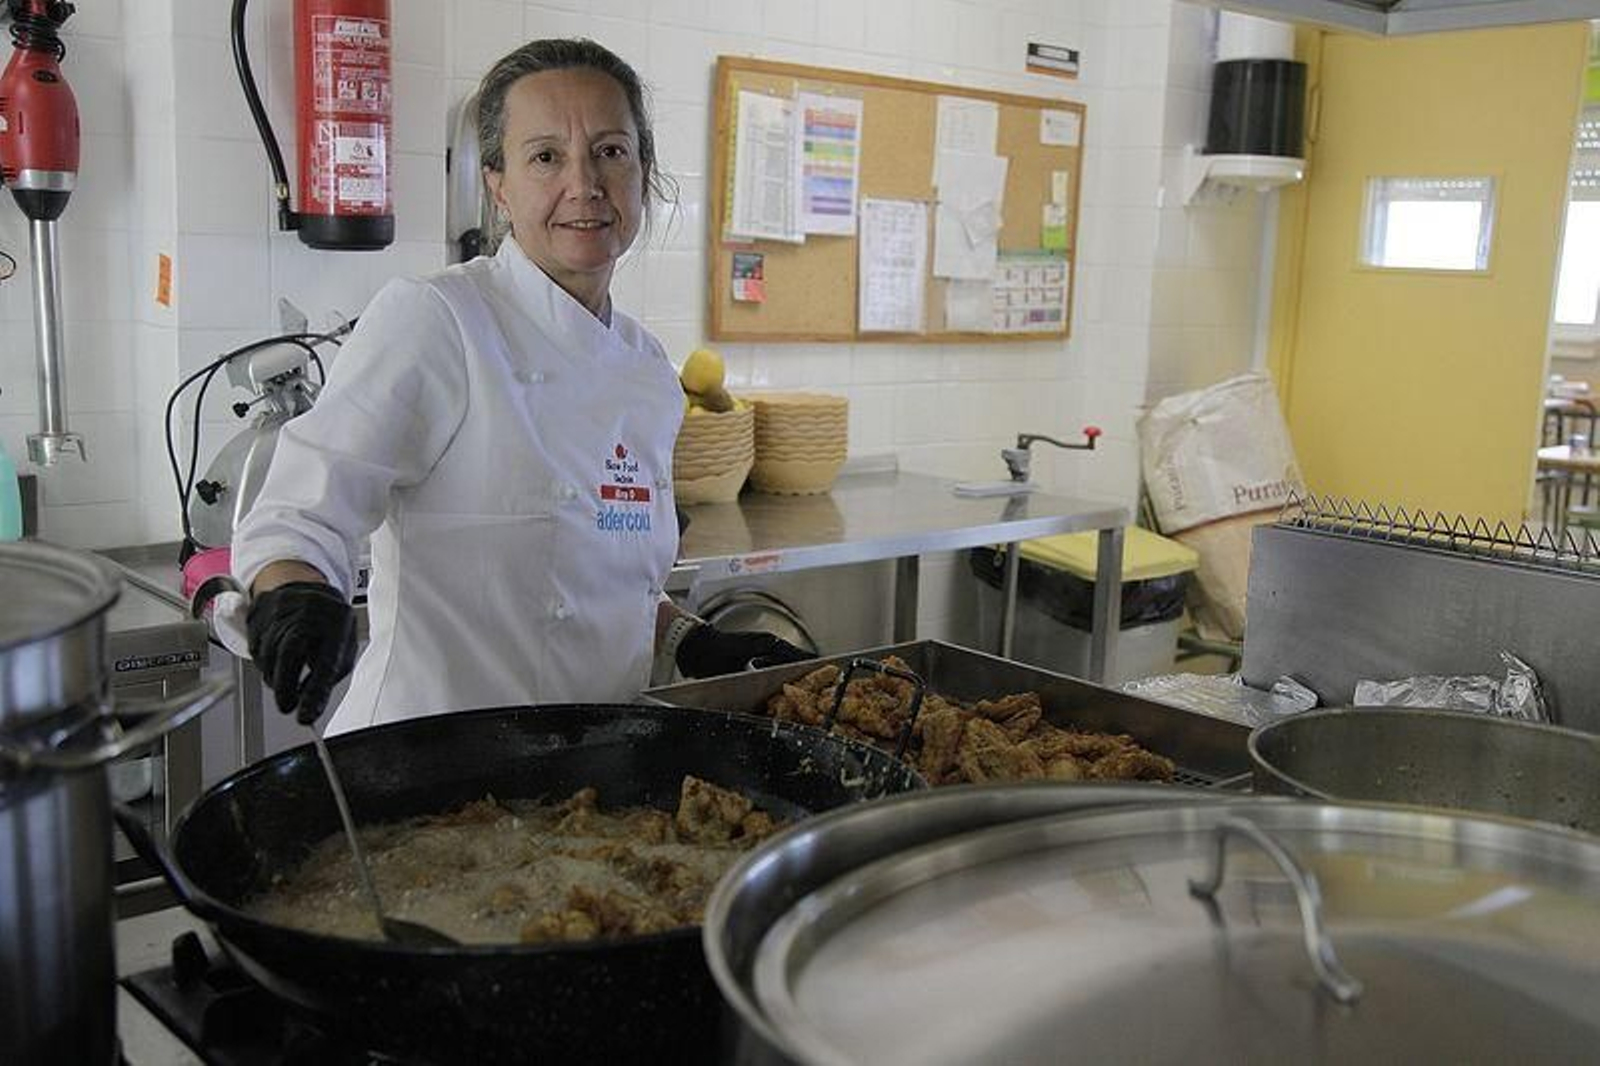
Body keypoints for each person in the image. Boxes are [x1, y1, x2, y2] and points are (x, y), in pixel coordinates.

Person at [230, 39, 809, 734]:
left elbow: (603, 576)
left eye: (611, 151)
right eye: (546, 157)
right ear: (499, 186)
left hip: (589, 774)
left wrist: (688, 638)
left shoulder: (648, 368)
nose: (584, 184)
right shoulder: (439, 319)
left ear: (643, 172)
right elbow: (302, 511)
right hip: (429, 766)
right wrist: (292, 592)